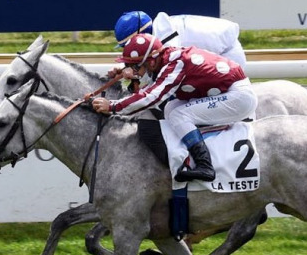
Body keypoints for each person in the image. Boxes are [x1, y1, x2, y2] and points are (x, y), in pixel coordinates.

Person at [91, 33, 258, 182]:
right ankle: (192, 150)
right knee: (171, 107)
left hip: (238, 98)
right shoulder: (164, 59)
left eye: (135, 66)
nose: (132, 70)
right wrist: (127, 72)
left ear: (151, 61)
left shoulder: (175, 65)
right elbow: (149, 86)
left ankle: (205, 165)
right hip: (229, 93)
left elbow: (151, 97)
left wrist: (113, 107)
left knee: (179, 115)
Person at [113, 10, 246, 67]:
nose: (128, 51)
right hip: (223, 47)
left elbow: (161, 73)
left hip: (227, 57)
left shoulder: (166, 40)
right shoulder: (161, 30)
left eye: (127, 46)